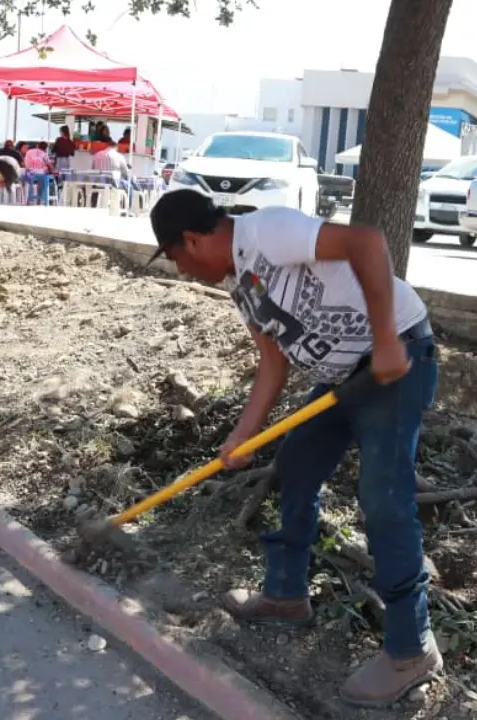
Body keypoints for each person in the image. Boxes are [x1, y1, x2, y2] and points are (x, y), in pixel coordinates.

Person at [147, 189, 441, 708]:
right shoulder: (240, 283)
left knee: (384, 500)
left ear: (192, 239)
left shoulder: (267, 233)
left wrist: (386, 340)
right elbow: (273, 362)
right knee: (296, 466)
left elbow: (367, 243)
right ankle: (286, 595)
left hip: (396, 361)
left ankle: (410, 649)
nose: (180, 270)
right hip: (340, 378)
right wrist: (242, 434)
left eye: (175, 257)